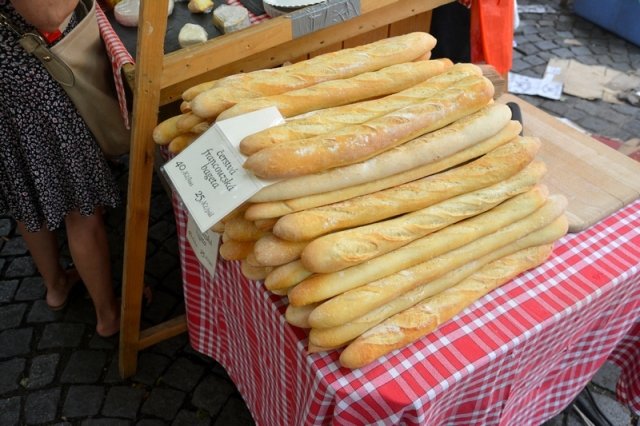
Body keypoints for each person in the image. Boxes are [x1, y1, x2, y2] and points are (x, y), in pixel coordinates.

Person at [0, 0, 121, 337]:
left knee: (27, 191)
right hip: (32, 83)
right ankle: (109, 315)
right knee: (80, 208)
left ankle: (56, 285)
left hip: (9, 81)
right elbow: (48, 13)